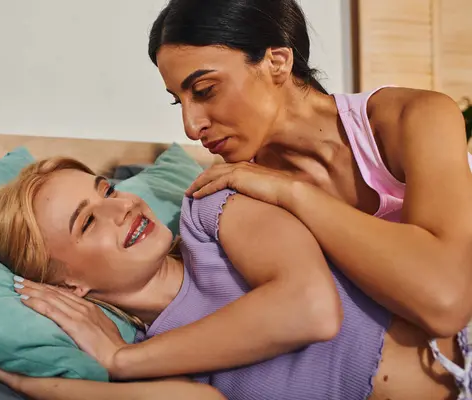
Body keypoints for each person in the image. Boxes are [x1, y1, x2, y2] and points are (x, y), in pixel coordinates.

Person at [148, 0, 472, 396]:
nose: (191, 125)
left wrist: (293, 192)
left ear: (277, 62)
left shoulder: (414, 118)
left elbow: (445, 300)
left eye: (205, 90)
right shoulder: (241, 199)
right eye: (178, 101)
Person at [0, 156, 461, 400]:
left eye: (106, 190)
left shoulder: (211, 212)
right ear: (68, 286)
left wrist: (123, 359)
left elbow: (310, 308)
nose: (121, 209)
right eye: (86, 222)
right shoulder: (159, 366)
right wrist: (16, 380)